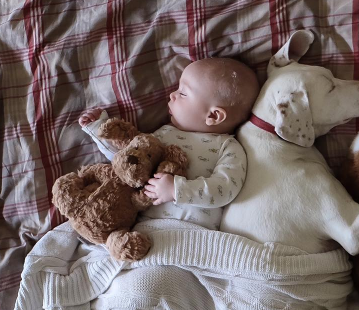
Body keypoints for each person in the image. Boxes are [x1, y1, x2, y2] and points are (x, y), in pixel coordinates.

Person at [79, 58, 259, 229]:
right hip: (144, 230)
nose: (172, 95)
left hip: (194, 235)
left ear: (213, 116)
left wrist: (177, 189)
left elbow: (225, 189)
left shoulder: (228, 147)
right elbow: (127, 161)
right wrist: (99, 128)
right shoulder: (164, 133)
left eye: (182, 93)